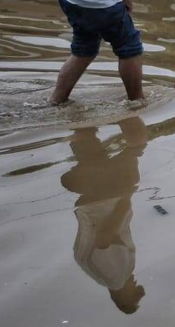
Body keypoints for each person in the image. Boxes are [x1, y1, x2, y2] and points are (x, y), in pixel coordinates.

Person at [62, 117, 148, 314]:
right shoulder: (97, 275)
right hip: (92, 199)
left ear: (124, 297)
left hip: (107, 197)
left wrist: (125, 200)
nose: (135, 283)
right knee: (86, 141)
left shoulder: (116, 277)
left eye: (134, 292)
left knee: (136, 146)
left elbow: (104, 239)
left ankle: (124, 110)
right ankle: (75, 113)